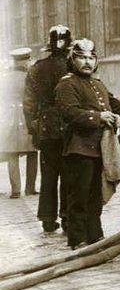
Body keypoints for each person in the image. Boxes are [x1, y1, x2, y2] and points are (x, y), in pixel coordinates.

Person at [55, 39, 120, 249]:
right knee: (79, 196)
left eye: (91, 58)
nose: (87, 62)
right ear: (73, 60)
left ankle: (95, 236)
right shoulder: (66, 84)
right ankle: (77, 239)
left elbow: (117, 106)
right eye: (82, 58)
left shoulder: (97, 84)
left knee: (95, 195)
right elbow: (69, 112)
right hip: (79, 148)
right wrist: (98, 117)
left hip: (100, 148)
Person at [23, 26, 71, 233]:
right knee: (69, 173)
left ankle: (47, 218)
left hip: (47, 127)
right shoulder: (72, 66)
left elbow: (29, 104)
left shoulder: (36, 68)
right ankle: (67, 217)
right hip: (70, 126)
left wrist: (34, 128)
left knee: (49, 175)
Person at [0, 48, 38, 199]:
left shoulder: (4, 77)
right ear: (25, 61)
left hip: (7, 117)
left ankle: (15, 190)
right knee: (32, 152)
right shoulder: (30, 77)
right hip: (27, 116)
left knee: (12, 153)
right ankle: (30, 188)